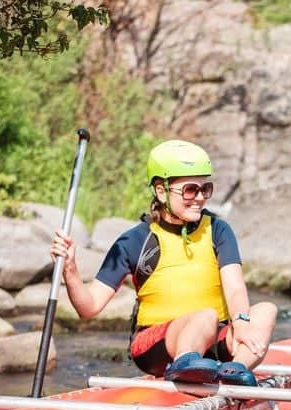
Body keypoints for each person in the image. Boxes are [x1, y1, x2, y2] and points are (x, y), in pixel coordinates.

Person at [49, 139, 276, 387]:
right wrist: (70, 270)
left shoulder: (219, 230)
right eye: (190, 190)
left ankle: (236, 370)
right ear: (161, 191)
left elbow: (234, 287)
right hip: (156, 343)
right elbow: (88, 307)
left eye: (205, 189)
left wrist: (241, 324)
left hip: (213, 342)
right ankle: (185, 365)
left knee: (265, 311)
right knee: (204, 317)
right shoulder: (135, 240)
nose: (200, 198)